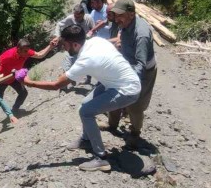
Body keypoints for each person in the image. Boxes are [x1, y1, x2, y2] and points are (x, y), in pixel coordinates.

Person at [22, 25, 141, 172]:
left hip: (127, 90)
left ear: (76, 44)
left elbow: (56, 85)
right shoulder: (96, 40)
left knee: (86, 112)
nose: (65, 49)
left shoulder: (85, 60)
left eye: (65, 45)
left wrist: (30, 83)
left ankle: (101, 158)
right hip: (117, 81)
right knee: (85, 104)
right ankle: (86, 140)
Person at [104, 0, 158, 150]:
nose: (116, 18)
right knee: (114, 93)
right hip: (127, 65)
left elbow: (140, 65)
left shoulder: (141, 34)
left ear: (131, 14)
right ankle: (112, 124)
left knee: (135, 104)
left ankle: (135, 133)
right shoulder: (124, 23)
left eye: (120, 15)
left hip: (143, 71)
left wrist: (130, 82)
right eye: (116, 15)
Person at [0, 38, 56, 114]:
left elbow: (40, 55)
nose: (27, 53)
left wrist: (50, 46)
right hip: (2, 80)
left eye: (27, 50)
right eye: (25, 51)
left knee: (23, 93)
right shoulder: (9, 55)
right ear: (18, 49)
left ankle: (14, 110)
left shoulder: (26, 52)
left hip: (13, 77)